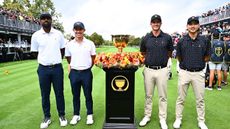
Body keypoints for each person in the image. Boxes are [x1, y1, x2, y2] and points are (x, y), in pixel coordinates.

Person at [30, 12, 67, 129]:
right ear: (40, 21)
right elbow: (35, 52)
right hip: (43, 69)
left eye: (48, 18)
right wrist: (45, 60)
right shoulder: (36, 35)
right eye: (43, 19)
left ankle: (62, 115)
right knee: (45, 94)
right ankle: (47, 117)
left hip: (57, 68)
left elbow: (62, 50)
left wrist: (55, 60)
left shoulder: (58, 34)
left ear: (51, 20)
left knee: (59, 93)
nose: (46, 20)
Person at [173, 16, 210, 129]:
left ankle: (201, 121)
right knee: (181, 98)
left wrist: (198, 64)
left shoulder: (205, 40)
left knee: (200, 99)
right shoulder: (182, 41)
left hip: (198, 73)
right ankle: (178, 119)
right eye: (190, 24)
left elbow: (207, 56)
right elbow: (179, 57)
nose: (193, 26)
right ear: (187, 26)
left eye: (195, 24)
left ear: (198, 26)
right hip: (185, 72)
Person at [139, 14, 173, 129]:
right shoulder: (146, 38)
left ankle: (162, 119)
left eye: (158, 22)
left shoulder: (167, 37)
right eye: (154, 22)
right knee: (148, 95)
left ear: (161, 23)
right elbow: (143, 53)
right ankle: (147, 116)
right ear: (150, 23)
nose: (156, 24)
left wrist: (161, 61)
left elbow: (169, 53)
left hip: (162, 70)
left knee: (163, 96)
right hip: (148, 69)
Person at [65, 21, 96, 125]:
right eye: (76, 29)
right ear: (74, 30)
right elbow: (68, 59)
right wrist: (75, 67)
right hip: (74, 73)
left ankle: (89, 115)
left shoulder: (90, 43)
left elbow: (93, 58)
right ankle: (76, 115)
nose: (78, 31)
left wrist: (86, 67)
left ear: (84, 30)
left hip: (86, 73)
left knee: (88, 95)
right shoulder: (69, 44)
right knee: (75, 95)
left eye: (80, 29)